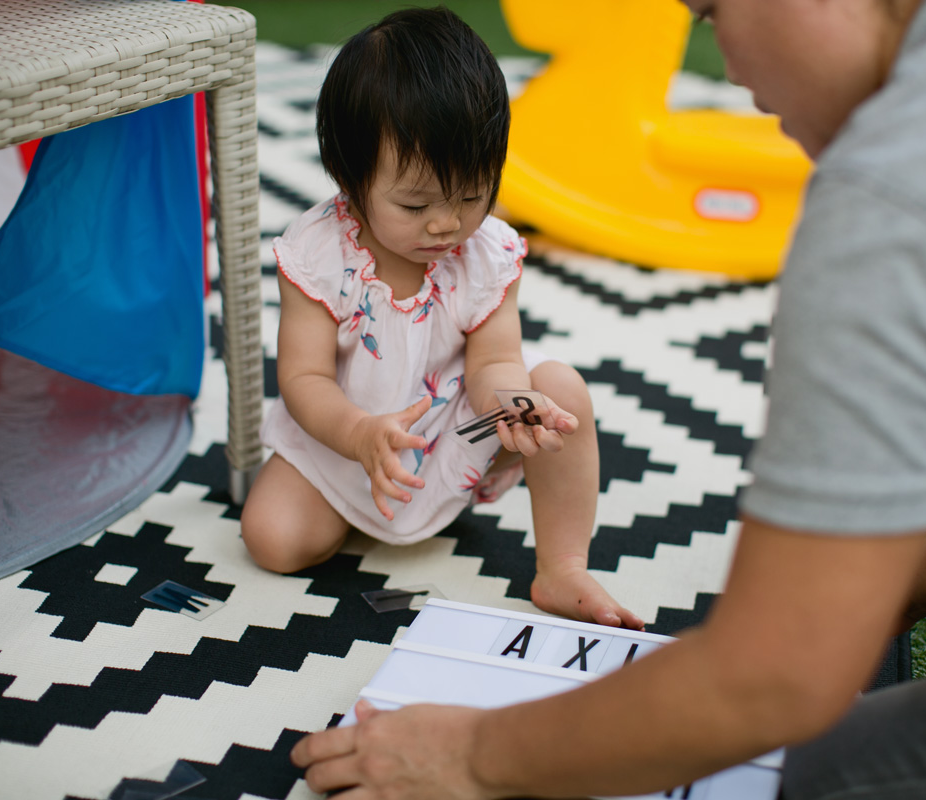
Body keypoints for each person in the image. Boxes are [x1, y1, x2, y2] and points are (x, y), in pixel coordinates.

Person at [290, 0, 926, 798]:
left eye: (711, 10)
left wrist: (472, 756)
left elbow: (774, 676)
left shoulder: (893, 194)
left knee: (822, 772)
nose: (726, 63)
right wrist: (859, 595)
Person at [240, 7, 643, 631]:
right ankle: (364, 503)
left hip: (454, 427)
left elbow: (496, 362)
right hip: (345, 434)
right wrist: (359, 437)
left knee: (559, 389)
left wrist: (512, 405)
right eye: (415, 202)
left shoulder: (486, 254)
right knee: (273, 541)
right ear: (349, 179)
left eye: (472, 194)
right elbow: (303, 380)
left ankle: (562, 565)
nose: (446, 224)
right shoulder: (319, 253)